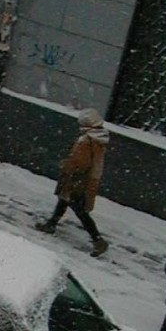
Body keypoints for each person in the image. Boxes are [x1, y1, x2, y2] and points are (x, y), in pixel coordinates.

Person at [36, 107, 110, 257]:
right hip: (86, 178)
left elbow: (80, 162)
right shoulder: (99, 138)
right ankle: (51, 224)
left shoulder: (87, 140)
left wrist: (67, 165)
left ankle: (98, 240)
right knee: (64, 200)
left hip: (77, 179)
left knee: (79, 209)